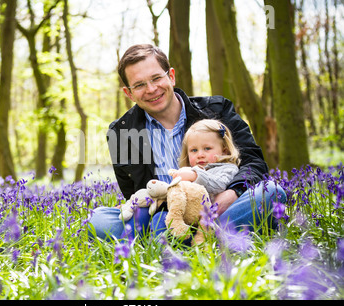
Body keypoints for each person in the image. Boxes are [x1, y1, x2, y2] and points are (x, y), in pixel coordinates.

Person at [88, 44, 286, 241]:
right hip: (164, 214)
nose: (151, 89)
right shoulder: (121, 132)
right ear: (129, 93)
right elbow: (133, 190)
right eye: (139, 85)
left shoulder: (217, 110)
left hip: (218, 206)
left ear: (171, 76)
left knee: (272, 194)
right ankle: (212, 238)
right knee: (96, 221)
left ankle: (180, 241)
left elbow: (254, 162)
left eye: (156, 78)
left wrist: (233, 193)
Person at [168, 119, 240, 204]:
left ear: (224, 151)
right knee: (159, 216)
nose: (200, 155)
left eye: (207, 148)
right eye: (194, 150)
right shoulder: (188, 171)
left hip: (216, 213)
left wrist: (195, 176)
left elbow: (220, 185)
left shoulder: (228, 168)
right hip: (189, 212)